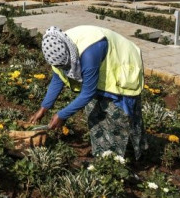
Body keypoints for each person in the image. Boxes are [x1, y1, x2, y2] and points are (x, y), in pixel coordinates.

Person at [29, 25, 146, 160]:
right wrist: (44, 108)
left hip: (121, 63)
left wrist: (62, 115)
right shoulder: (57, 49)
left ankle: (122, 160)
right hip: (101, 69)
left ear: (69, 54)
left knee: (117, 118)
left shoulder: (89, 53)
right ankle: (102, 157)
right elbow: (58, 78)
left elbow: (87, 93)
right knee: (95, 116)